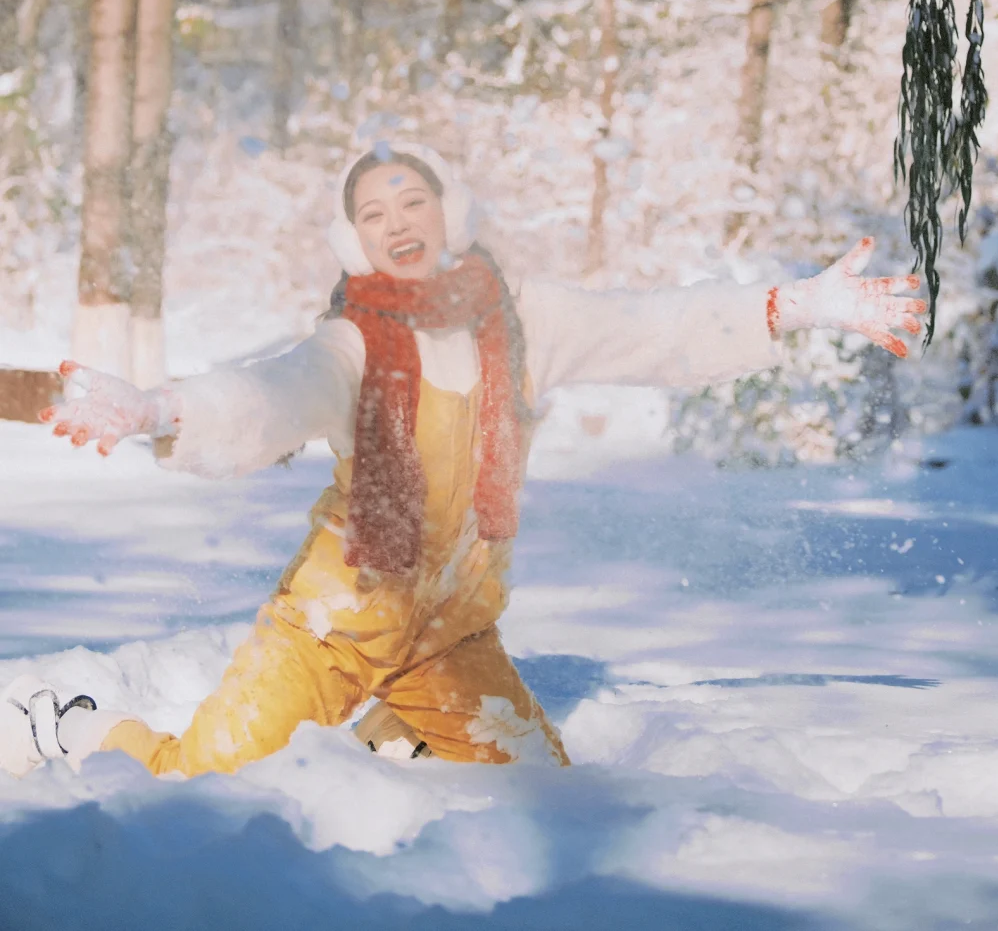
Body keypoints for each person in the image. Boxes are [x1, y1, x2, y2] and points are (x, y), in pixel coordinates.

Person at [0, 140, 925, 780]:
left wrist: (793, 306)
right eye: (373, 212)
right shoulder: (353, 344)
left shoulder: (524, 322)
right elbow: (272, 395)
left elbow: (655, 327)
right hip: (332, 628)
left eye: (413, 200)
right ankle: (69, 726)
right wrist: (161, 409)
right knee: (195, 785)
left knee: (541, 788)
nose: (397, 220)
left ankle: (393, 731)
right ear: (355, 241)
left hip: (451, 636)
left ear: (451, 212)